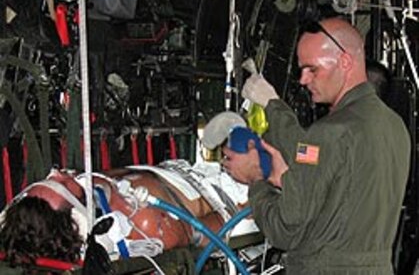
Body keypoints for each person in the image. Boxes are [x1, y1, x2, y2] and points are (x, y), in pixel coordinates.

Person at [222, 17, 411, 274]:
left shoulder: (329, 133)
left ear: (345, 62)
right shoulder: (394, 126)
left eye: (312, 69)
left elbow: (284, 230)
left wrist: (255, 179)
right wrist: (274, 107)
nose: (302, 79)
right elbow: (329, 174)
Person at [0, 160, 252, 269]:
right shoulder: (147, 225)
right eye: (60, 184)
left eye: (49, 179)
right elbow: (218, 226)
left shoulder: (87, 186)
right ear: (78, 217)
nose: (58, 172)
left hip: (195, 171)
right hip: (234, 190)